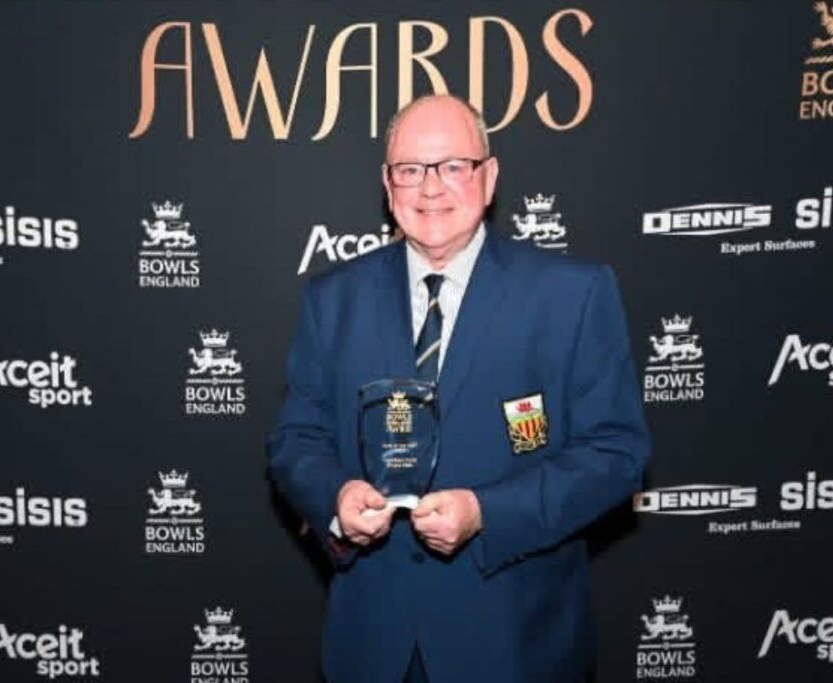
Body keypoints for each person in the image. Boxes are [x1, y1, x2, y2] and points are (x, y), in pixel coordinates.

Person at [267, 94, 650, 683]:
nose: (430, 189)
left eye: (452, 166)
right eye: (410, 170)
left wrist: (486, 513)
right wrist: (336, 499)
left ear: (489, 176)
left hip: (515, 645)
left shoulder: (573, 295)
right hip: (373, 648)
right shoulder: (331, 300)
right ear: (388, 185)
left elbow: (616, 454)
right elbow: (296, 440)